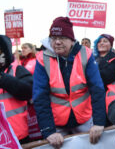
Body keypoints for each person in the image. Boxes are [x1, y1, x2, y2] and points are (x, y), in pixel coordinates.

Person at [33, 17, 106, 148]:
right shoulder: (42, 58)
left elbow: (97, 89)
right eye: (54, 38)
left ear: (72, 40)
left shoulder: (86, 54)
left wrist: (99, 122)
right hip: (57, 123)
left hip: (84, 119)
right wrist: (49, 130)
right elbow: (40, 96)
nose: (57, 42)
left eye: (62, 38)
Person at [0, 34, 33, 143]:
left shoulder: (17, 70)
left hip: (17, 136)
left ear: (5, 51)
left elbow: (28, 92)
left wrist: (1, 80)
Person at [93, 34, 115, 115]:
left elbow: (106, 77)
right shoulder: (92, 58)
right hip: (92, 98)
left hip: (106, 100)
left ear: (111, 45)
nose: (101, 43)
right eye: (99, 41)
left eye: (105, 41)